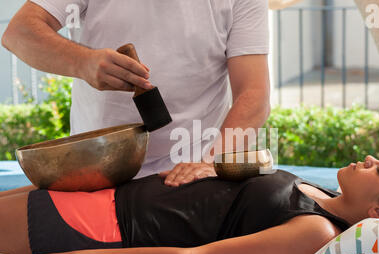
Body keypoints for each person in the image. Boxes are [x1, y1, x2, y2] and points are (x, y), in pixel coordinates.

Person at [0, 155, 379, 254]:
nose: (370, 159)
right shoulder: (324, 195)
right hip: (108, 194)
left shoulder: (314, 231)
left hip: (103, 225)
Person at [1, 0, 271, 187]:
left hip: (193, 174)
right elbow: (19, 33)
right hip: (97, 172)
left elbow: (254, 94)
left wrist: (209, 163)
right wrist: (81, 62)